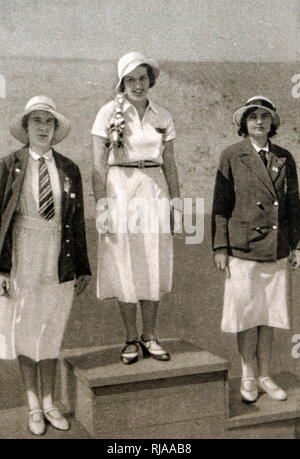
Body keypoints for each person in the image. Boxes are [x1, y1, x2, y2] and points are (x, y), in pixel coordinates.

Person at [0, 95, 91, 435]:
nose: (42, 127)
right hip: (23, 252)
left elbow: (76, 222)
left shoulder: (69, 169)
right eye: (35, 120)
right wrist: (1, 269)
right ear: (26, 128)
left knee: (50, 330)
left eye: (48, 121)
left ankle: (50, 401)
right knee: (24, 328)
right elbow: (1, 221)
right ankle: (33, 405)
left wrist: (82, 267)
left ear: (55, 129)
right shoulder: (9, 165)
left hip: (58, 254)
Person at [91, 52, 180, 365]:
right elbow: (98, 168)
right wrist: (102, 206)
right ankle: (130, 337)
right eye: (131, 79)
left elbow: (170, 164)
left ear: (150, 81)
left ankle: (150, 335)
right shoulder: (106, 114)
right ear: (122, 83)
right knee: (124, 262)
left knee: (152, 260)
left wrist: (176, 204)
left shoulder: (163, 116)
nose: (138, 85)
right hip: (120, 191)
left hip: (154, 190)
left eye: (143, 78)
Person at [212, 96, 300, 403]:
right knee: (247, 316)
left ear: (272, 122)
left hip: (276, 249)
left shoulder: (285, 157)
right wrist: (220, 247)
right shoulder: (232, 156)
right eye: (252, 117)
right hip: (243, 249)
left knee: (268, 315)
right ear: (244, 124)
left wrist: (295, 245)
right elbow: (220, 206)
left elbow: (293, 205)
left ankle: (265, 375)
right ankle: (248, 374)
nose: (259, 122)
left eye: (265, 116)